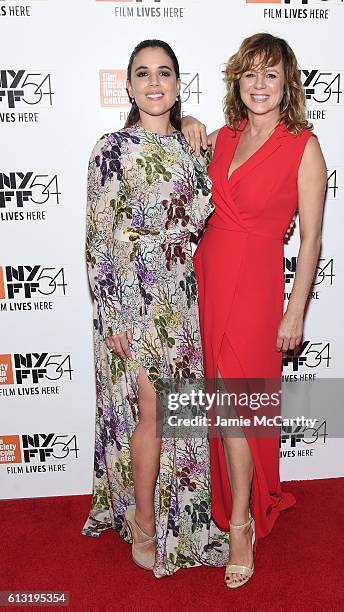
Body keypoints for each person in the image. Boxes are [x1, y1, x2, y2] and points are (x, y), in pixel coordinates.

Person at [182, 33, 327, 588]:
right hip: (208, 276)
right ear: (236, 82)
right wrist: (189, 120)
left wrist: (296, 312)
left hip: (258, 285)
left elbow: (311, 239)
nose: (259, 85)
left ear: (287, 83)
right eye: (249, 75)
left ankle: (239, 524)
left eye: (271, 75)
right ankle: (235, 505)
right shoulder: (222, 136)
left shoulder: (303, 145)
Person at [82, 39, 229, 578]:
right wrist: (112, 314)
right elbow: (98, 238)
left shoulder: (196, 147)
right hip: (133, 296)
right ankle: (144, 520)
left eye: (163, 73)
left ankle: (181, 520)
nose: (153, 82)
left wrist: (197, 128)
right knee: (152, 410)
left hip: (182, 295)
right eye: (142, 73)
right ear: (128, 85)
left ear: (177, 84)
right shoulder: (110, 149)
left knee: (181, 414)